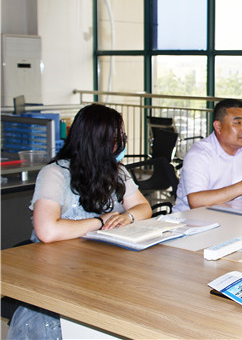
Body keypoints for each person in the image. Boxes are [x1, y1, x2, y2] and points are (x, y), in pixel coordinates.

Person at [8, 103, 152, 339]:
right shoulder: (55, 173)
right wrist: (100, 221)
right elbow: (47, 231)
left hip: (103, 269)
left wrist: (127, 216)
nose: (119, 144)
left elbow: (144, 207)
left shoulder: (116, 172)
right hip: (60, 275)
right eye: (115, 138)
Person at [173, 99, 242, 212]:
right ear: (218, 126)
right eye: (238, 123)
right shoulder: (199, 154)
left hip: (237, 215)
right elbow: (196, 202)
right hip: (195, 219)